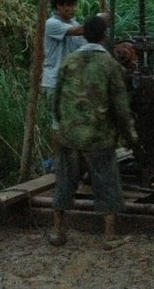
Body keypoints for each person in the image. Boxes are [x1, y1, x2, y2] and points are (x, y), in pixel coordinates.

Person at [49, 14, 138, 247]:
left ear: (84, 34)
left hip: (70, 135)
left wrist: (62, 125)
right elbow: (121, 107)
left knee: (65, 181)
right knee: (107, 182)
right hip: (98, 137)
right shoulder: (110, 65)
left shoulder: (69, 61)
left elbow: (56, 99)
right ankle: (109, 237)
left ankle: (58, 232)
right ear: (104, 37)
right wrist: (130, 137)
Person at [41, 0, 87, 125]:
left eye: (75, 4)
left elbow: (84, 46)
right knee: (59, 125)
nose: (74, 8)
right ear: (59, 6)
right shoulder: (51, 24)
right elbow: (77, 31)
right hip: (55, 82)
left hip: (72, 81)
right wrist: (98, 21)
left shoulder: (75, 23)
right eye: (70, 5)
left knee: (74, 124)